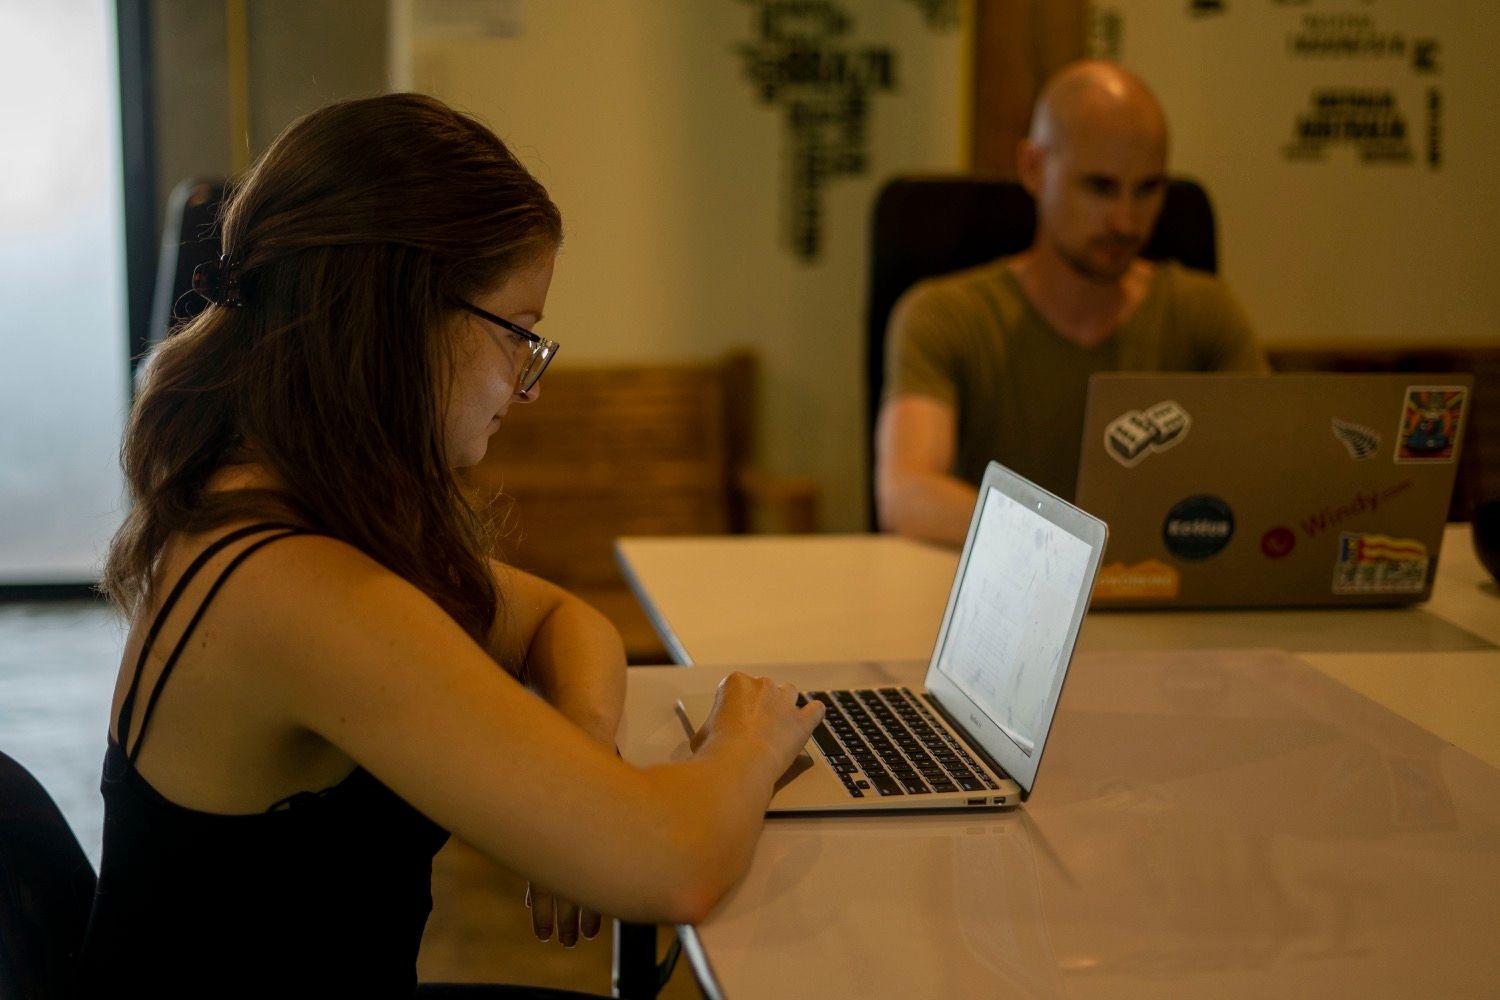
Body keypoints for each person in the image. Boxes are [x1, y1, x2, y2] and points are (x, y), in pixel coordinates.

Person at [78, 93, 824, 996]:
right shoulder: (296, 592)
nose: (528, 382)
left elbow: (560, 615)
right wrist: (751, 738)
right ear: (398, 315)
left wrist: (579, 768)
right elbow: (674, 865)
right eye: (518, 333)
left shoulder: (264, 504)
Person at [876, 60, 1267, 546]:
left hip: (1163, 606)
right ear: (1033, 168)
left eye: (1147, 189)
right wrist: (1083, 550)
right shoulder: (944, 316)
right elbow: (907, 492)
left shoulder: (1205, 314)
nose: (1126, 222)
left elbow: (1264, 481)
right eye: (1100, 187)